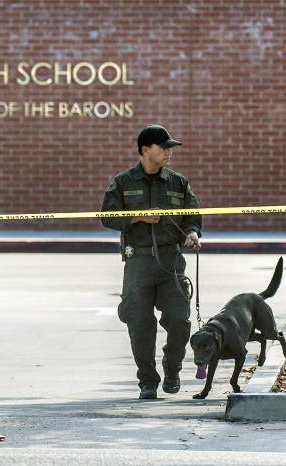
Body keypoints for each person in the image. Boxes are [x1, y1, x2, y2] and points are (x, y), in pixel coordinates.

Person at [100, 124, 202, 400]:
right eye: (163, 147)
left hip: (172, 262)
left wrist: (192, 233)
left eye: (170, 148)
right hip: (139, 262)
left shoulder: (178, 182)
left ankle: (172, 368)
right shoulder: (122, 182)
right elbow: (107, 217)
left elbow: (193, 215)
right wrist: (137, 217)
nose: (169, 152)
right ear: (145, 150)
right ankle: (148, 380)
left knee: (180, 321)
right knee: (140, 324)